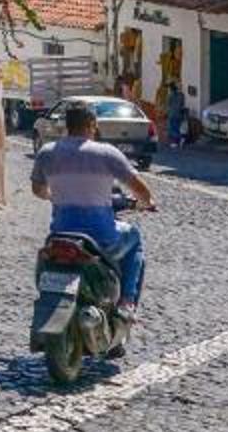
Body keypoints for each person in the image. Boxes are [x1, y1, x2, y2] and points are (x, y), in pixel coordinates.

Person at [30, 98, 155, 319]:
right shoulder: (107, 153)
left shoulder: (47, 152)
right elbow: (142, 191)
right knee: (134, 237)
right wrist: (147, 203)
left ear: (67, 125)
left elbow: (38, 190)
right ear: (92, 124)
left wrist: (55, 196)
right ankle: (126, 300)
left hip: (60, 234)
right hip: (101, 239)